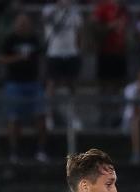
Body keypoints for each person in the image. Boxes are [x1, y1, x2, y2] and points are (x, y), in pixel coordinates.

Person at [0, 12, 48, 163]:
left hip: (33, 82)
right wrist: (18, 58)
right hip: (14, 83)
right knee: (14, 118)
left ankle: (41, 150)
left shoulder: (34, 39)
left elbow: (41, 56)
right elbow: (1, 58)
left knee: (40, 116)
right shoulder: (10, 40)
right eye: (20, 23)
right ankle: (14, 151)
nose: (23, 26)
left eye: (25, 23)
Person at [42, 0, 84, 131]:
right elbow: (46, 20)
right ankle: (49, 117)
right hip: (54, 52)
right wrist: (59, 8)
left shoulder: (75, 10)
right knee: (51, 85)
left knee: (71, 85)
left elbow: (79, 30)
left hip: (71, 52)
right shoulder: (48, 9)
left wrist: (78, 49)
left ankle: (73, 116)